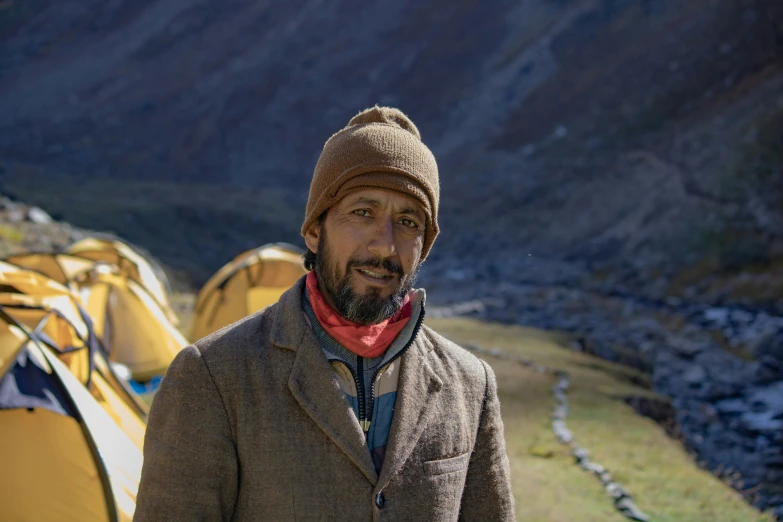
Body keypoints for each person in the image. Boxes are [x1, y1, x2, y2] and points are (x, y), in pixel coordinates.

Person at [134, 106, 514, 521]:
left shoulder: (469, 386)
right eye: (363, 213)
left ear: (424, 246)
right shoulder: (214, 377)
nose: (385, 245)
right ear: (315, 230)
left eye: (408, 222)